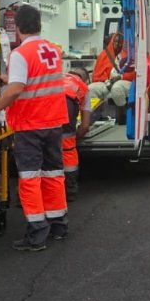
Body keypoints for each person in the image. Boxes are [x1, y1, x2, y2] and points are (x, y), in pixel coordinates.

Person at [0, 4, 68, 251]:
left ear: (18, 29)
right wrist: (11, 78)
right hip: (53, 122)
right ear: (39, 25)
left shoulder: (20, 54)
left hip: (30, 124)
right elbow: (38, 80)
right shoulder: (53, 50)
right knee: (53, 174)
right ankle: (58, 225)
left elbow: (16, 90)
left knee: (29, 178)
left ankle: (36, 233)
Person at [88, 31, 134, 121]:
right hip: (107, 82)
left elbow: (134, 74)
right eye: (115, 41)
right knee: (91, 88)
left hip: (124, 81)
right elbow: (96, 76)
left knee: (117, 88)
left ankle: (123, 116)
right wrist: (107, 81)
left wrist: (120, 77)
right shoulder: (104, 55)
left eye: (120, 42)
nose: (118, 44)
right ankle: (95, 115)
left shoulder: (129, 56)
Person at [62, 67, 91, 201]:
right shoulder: (82, 87)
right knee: (68, 153)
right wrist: (75, 136)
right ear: (85, 79)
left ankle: (28, 196)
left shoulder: (55, 77)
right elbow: (85, 126)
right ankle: (69, 191)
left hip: (42, 110)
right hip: (65, 111)